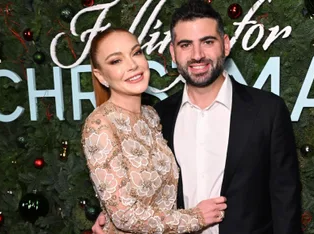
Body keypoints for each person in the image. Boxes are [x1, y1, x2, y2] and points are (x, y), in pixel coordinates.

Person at [92, 1, 302, 233]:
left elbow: (286, 199)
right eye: (185, 45)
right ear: (173, 52)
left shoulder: (267, 111)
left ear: (225, 45)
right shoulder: (159, 116)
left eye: (208, 42)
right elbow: (145, 184)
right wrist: (113, 213)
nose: (197, 55)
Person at [81, 27, 227, 233]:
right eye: (116, 61)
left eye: (136, 53)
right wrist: (196, 217)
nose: (132, 65)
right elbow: (124, 215)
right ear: (101, 76)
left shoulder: (151, 116)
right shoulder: (100, 126)